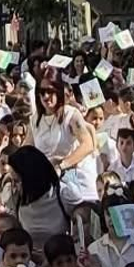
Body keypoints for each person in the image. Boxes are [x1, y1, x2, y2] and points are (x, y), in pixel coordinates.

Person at [32, 78, 100, 242]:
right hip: (45, 184)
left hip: (72, 179)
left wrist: (62, 165)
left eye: (50, 92)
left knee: (82, 230)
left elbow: (88, 144)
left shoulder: (71, 114)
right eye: (42, 92)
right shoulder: (34, 119)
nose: (46, 97)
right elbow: (26, 150)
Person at [7, 145, 70, 245]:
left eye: (17, 181)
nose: (13, 186)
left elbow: (83, 221)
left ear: (31, 179)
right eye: (11, 180)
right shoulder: (15, 200)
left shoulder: (63, 194)